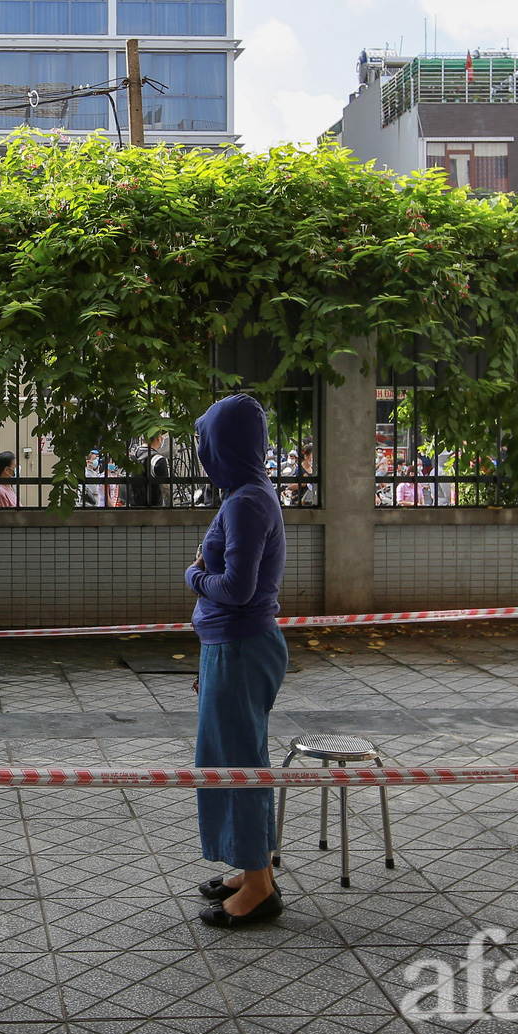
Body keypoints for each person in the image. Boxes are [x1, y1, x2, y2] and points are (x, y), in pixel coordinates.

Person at [184, 394, 288, 928]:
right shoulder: (252, 495)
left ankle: (258, 886)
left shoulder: (246, 502)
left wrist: (194, 577)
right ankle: (252, 869)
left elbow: (238, 589)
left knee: (238, 765)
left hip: (241, 647)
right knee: (235, 759)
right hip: (235, 648)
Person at [125, 432, 169, 508]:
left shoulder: (133, 456)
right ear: (158, 438)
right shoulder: (158, 460)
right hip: (152, 506)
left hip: (132, 504)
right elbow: (164, 487)